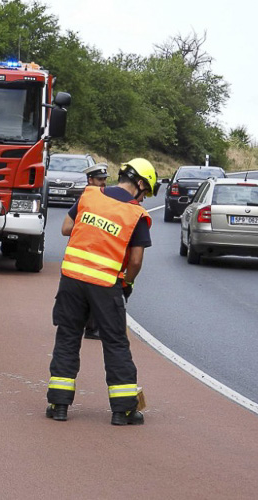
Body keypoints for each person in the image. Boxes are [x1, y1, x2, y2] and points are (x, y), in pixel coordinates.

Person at [46, 158, 158, 425]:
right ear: (140, 184)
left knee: (67, 337)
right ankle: (123, 410)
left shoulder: (90, 195)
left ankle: (58, 405)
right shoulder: (135, 214)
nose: (143, 199)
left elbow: (66, 228)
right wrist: (127, 284)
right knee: (115, 342)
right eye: (145, 193)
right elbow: (135, 261)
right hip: (106, 286)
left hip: (71, 279)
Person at [81, 162, 109, 339]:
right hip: (84, 250)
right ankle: (90, 327)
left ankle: (92, 326)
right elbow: (67, 227)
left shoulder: (105, 198)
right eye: (99, 180)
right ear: (90, 180)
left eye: (105, 180)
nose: (103, 183)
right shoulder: (85, 198)